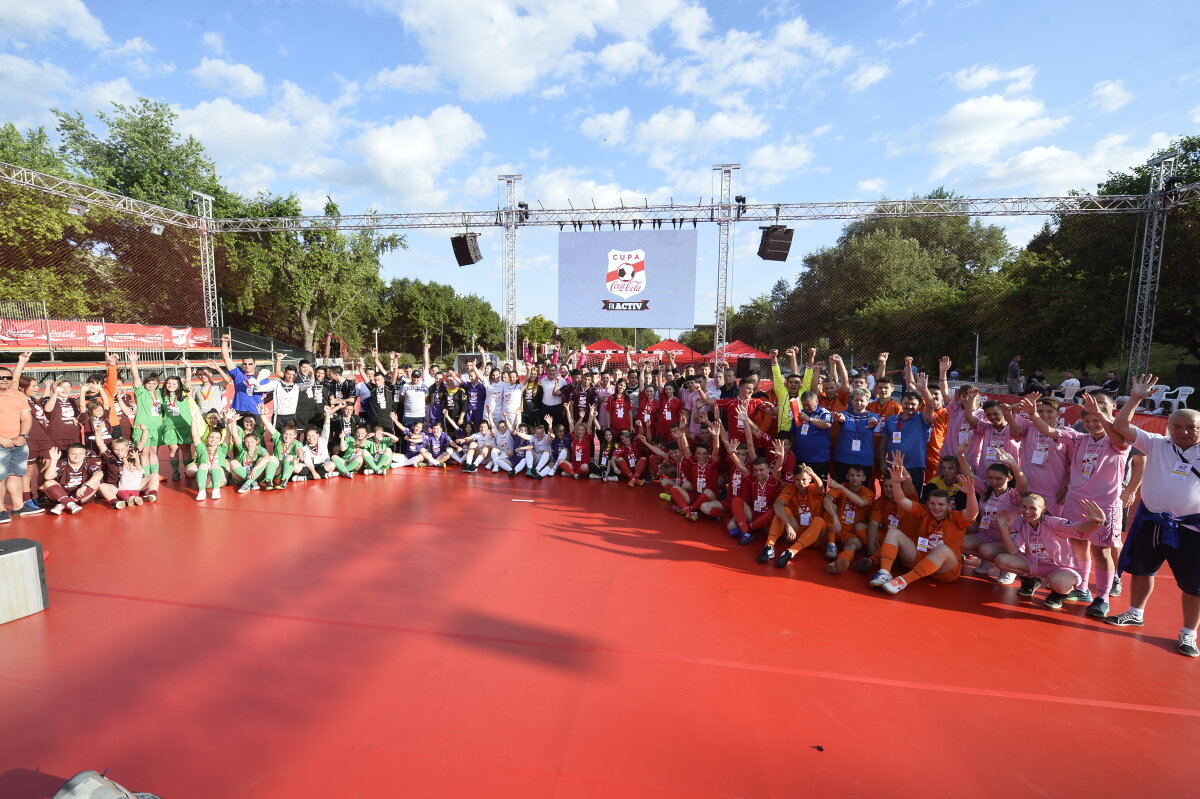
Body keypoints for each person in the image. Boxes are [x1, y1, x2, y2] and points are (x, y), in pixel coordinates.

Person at [1107, 375, 1200, 657]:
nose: (1183, 432)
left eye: (1191, 428)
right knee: (1141, 569)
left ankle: (1188, 634)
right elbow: (1120, 426)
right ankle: (1135, 612)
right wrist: (1135, 398)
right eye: (1177, 426)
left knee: (1194, 584)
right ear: (1168, 426)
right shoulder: (1157, 443)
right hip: (1152, 521)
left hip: (1192, 529)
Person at [869, 462, 979, 594]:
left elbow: (972, 513)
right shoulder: (924, 511)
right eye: (932, 503)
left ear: (949, 505)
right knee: (893, 532)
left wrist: (971, 494)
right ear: (927, 503)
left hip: (945, 570)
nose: (936, 508)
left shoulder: (956, 517)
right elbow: (901, 500)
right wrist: (897, 483)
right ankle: (885, 573)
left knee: (943, 549)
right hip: (920, 558)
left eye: (940, 504)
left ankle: (903, 581)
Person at [994, 496, 1108, 609]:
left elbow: (1081, 528)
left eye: (1033, 508)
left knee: (1060, 583)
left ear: (1043, 509)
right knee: (1001, 559)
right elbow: (1012, 550)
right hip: (1035, 564)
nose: (1027, 511)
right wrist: (1004, 527)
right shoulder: (1019, 522)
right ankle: (1031, 580)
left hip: (1060, 568)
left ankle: (1058, 594)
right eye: (1024, 506)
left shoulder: (1053, 522)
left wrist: (1097, 522)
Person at [0, 358, 38, 521]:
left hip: (18, 442)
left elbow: (26, 418)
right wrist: (1, 439)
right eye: (1, 377)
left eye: (8, 378)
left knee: (15, 475)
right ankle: (0, 510)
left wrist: (23, 436)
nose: (5, 380)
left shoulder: (18, 395)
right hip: (1, 443)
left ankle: (18, 506)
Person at [768, 463, 826, 567]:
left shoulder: (814, 488)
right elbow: (778, 505)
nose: (801, 483)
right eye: (797, 480)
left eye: (804, 479)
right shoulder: (790, 488)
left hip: (813, 536)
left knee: (819, 521)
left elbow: (821, 488)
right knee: (782, 510)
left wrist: (813, 474)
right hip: (795, 532)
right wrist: (788, 525)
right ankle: (769, 546)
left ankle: (791, 552)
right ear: (793, 479)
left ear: (809, 479)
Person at [42, 444, 102, 515]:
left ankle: (64, 504)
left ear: (85, 455)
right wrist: (54, 461)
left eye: (80, 454)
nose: (77, 456)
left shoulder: (88, 462)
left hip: (80, 496)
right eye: (73, 454)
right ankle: (70, 503)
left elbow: (99, 474)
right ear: (68, 454)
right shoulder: (62, 463)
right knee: (48, 483)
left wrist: (85, 486)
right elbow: (48, 477)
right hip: (60, 495)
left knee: (96, 482)